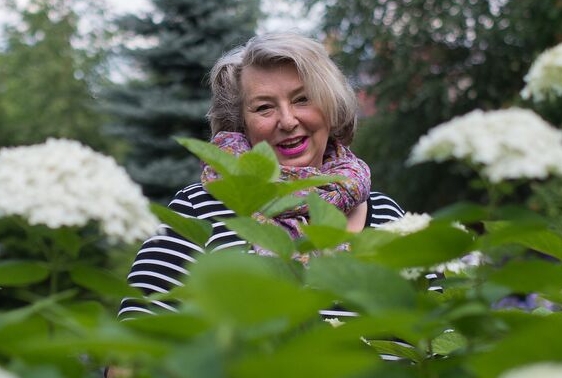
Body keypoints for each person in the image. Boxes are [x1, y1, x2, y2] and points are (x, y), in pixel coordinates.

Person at [119, 31, 410, 322]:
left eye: (302, 99)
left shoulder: (388, 216)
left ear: (331, 107)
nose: (287, 121)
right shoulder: (200, 208)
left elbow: (439, 342)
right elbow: (130, 352)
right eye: (264, 107)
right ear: (241, 123)